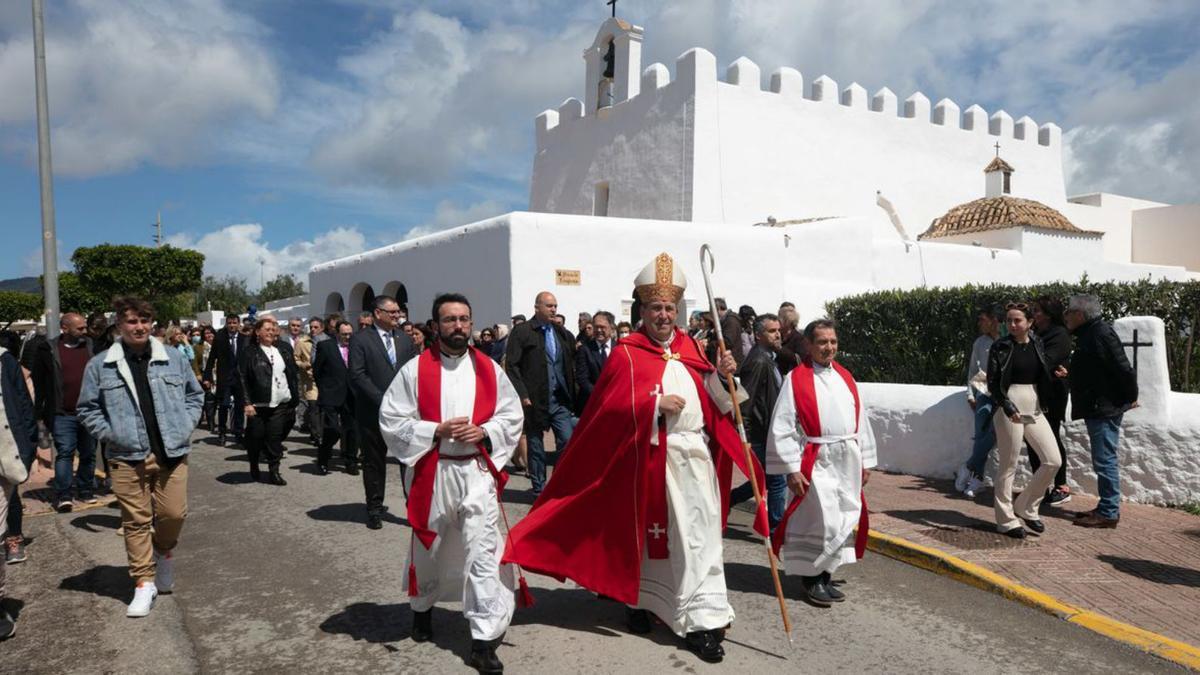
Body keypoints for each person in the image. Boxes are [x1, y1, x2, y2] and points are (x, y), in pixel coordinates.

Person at [504, 253, 767, 664]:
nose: (663, 315)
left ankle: (702, 620)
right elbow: (605, 411)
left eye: (669, 308)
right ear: (642, 310)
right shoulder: (627, 352)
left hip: (693, 458)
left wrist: (723, 376)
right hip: (647, 460)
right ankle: (642, 602)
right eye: (655, 308)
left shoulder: (692, 347)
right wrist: (653, 404)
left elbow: (718, 403)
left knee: (698, 541)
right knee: (649, 541)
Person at [379, 293, 524, 674]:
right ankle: (422, 609)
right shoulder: (414, 370)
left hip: (476, 470)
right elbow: (391, 419)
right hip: (433, 470)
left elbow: (511, 416)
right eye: (449, 320)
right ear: (435, 325)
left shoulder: (490, 369)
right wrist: (435, 430)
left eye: (464, 319)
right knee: (430, 547)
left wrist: (485, 431)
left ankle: (482, 639)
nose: (458, 326)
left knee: (482, 554)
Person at [77, 297, 203, 618]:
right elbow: (87, 408)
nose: (139, 326)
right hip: (125, 455)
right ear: (119, 324)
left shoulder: (173, 357)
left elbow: (195, 394)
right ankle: (143, 582)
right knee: (135, 521)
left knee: (174, 514)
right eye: (132, 321)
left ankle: (162, 553)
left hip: (171, 452)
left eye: (145, 320)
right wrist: (113, 434)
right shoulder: (101, 364)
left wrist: (185, 426)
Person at [767, 318, 877, 606]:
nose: (829, 347)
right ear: (809, 344)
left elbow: (860, 420)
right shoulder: (796, 379)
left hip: (846, 459)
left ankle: (825, 575)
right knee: (823, 521)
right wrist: (791, 469)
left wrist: (864, 460)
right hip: (815, 459)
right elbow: (783, 426)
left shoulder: (845, 376)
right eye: (822, 342)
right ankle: (811, 578)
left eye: (833, 342)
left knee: (841, 517)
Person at [1061, 294, 1138, 529]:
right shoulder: (1091, 333)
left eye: (1069, 311)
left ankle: (1109, 512)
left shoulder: (1099, 333)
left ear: (1080, 315)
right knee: (1103, 459)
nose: (1065, 316)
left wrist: (1130, 396)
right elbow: (1096, 371)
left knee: (1105, 461)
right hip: (1099, 406)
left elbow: (1123, 368)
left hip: (1103, 408)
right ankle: (1106, 506)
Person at [985, 303, 1062, 539]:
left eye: (1017, 320)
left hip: (1034, 403)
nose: (1012, 325)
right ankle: (1006, 520)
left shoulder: (1037, 343)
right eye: (1009, 320)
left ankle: (1026, 507)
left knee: (1052, 460)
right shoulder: (1001, 346)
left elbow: (1040, 371)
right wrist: (1007, 406)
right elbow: (993, 382)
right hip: (1010, 403)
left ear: (1029, 322)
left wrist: (1055, 372)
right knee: (1009, 465)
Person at [349, 295, 417, 530]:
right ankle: (374, 509)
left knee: (407, 462)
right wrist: (384, 401)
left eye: (399, 312)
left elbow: (413, 372)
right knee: (374, 462)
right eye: (393, 312)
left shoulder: (405, 340)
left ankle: (414, 510)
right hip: (372, 412)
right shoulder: (360, 339)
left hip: (403, 414)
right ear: (378, 313)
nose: (398, 315)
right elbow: (357, 375)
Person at [504, 292, 578, 495]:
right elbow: (512, 365)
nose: (553, 309)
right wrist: (522, 393)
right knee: (536, 446)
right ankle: (539, 488)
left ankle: (559, 482)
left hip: (560, 399)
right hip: (534, 399)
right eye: (549, 306)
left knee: (567, 440)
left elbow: (571, 359)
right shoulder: (523, 332)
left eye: (555, 305)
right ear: (537, 307)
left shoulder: (560, 332)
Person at [31, 312, 97, 511]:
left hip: (90, 412)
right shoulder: (47, 350)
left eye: (85, 327)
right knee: (65, 453)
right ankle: (64, 494)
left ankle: (85, 489)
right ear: (65, 328)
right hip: (62, 413)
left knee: (88, 453)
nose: (85, 331)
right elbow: (39, 381)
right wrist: (40, 412)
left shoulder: (92, 347)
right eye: (80, 328)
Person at [730, 313, 787, 530]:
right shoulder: (758, 361)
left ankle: (730, 501)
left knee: (761, 478)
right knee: (777, 480)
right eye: (772, 331)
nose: (777, 335)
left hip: (770, 431)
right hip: (760, 434)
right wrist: (745, 435)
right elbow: (746, 399)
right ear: (758, 335)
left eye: (778, 330)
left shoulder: (769, 358)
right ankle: (775, 530)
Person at [239, 316, 298, 486]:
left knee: (274, 438)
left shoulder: (282, 350)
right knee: (256, 437)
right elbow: (242, 378)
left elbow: (290, 375)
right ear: (258, 332)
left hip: (279, 403)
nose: (271, 332)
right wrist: (247, 403)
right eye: (267, 329)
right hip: (258, 404)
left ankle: (274, 471)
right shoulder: (249, 352)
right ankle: (254, 463)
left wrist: (292, 398)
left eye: (273, 329)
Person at [1028, 296, 1072, 505]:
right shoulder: (1036, 334)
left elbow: (1046, 362)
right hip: (1035, 393)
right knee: (1032, 440)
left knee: (1051, 437)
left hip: (1052, 394)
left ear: (1048, 313)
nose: (1033, 314)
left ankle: (1061, 486)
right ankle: (1039, 486)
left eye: (1037, 310)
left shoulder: (1060, 334)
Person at [956, 305, 1002, 498]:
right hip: (984, 392)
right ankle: (978, 478)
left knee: (993, 432)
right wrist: (970, 394)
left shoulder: (1008, 341)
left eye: (983, 319)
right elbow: (973, 370)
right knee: (980, 433)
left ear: (993, 320)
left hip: (1005, 395)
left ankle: (968, 466)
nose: (979, 323)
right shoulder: (980, 343)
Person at [2, 338, 37, 573]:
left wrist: (28, 444)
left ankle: (13, 536)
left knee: (10, 492)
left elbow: (23, 403)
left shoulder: (4, 359)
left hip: (6, 445)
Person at [312, 321, 359, 475]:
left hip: (351, 395)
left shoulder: (356, 346)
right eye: (344, 334)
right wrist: (325, 389)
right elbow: (317, 370)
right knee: (332, 430)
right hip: (331, 394)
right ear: (337, 333)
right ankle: (323, 459)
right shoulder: (326, 346)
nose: (347, 337)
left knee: (352, 430)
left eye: (350, 334)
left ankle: (351, 461)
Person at [203, 313, 248, 446]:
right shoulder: (219, 338)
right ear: (226, 324)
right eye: (230, 323)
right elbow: (212, 359)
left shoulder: (244, 339)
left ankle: (238, 433)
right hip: (224, 379)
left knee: (240, 407)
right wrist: (207, 377)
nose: (232, 326)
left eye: (235, 323)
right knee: (223, 406)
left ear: (239, 324)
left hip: (240, 379)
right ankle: (222, 432)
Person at [574, 310, 616, 413]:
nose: (599, 330)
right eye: (596, 327)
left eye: (602, 327)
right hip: (592, 403)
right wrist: (600, 394)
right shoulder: (585, 349)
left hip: (616, 402)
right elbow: (582, 378)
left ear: (611, 328)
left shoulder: (619, 348)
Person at [290, 318, 321, 446]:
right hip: (310, 381)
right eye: (311, 327)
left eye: (316, 327)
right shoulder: (302, 343)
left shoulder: (327, 341)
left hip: (324, 380)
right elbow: (295, 359)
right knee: (313, 406)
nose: (313, 329)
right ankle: (317, 435)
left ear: (322, 328)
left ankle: (321, 431)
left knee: (322, 408)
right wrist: (304, 365)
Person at [705, 298, 744, 366]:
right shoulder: (724, 321)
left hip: (730, 364)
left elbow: (727, 342)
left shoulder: (731, 321)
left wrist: (709, 345)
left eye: (711, 310)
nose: (710, 313)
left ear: (718, 309)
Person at [194, 326, 218, 430]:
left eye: (211, 333)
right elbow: (194, 362)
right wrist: (198, 374)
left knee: (215, 399)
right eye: (206, 333)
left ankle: (209, 418)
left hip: (217, 375)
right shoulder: (199, 347)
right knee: (209, 398)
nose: (209, 335)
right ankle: (210, 422)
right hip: (205, 374)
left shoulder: (219, 345)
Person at [776, 306, 805, 375]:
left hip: (791, 376)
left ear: (787, 322)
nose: (777, 321)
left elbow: (800, 359)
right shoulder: (778, 335)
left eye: (779, 319)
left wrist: (780, 349)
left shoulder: (799, 338)